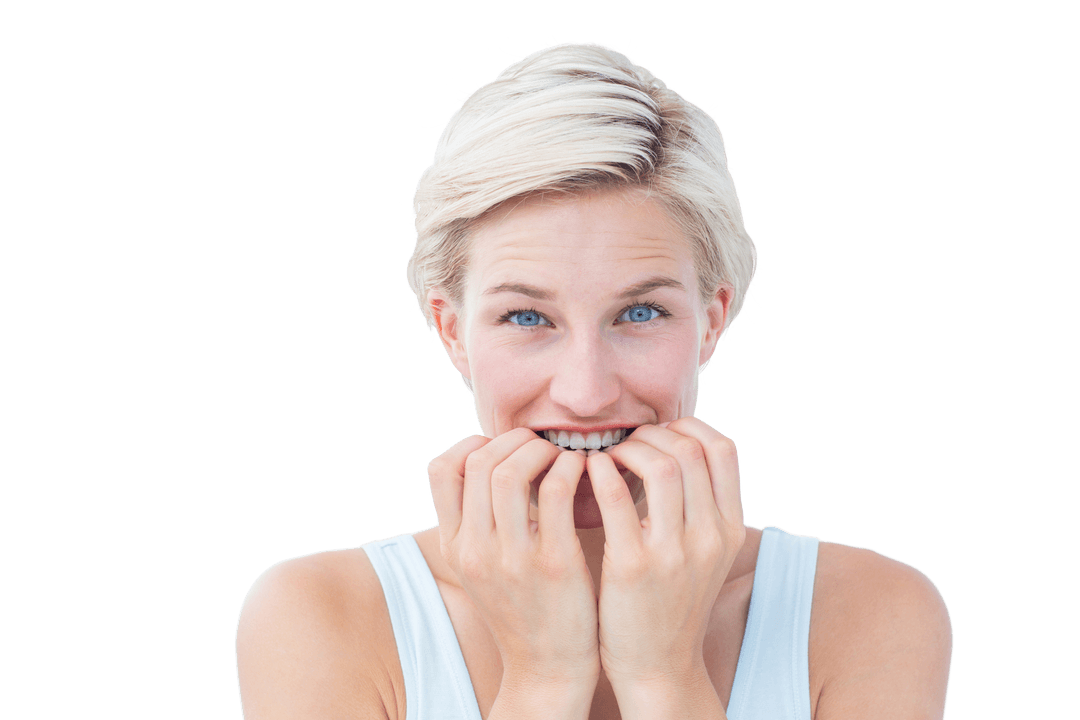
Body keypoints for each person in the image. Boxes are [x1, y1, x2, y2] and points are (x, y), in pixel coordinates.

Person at [235, 41, 953, 719]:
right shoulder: (318, 614)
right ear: (452, 329)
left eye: (639, 312)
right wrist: (545, 677)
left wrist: (663, 676)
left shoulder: (872, 610)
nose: (586, 393)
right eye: (525, 317)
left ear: (711, 322)